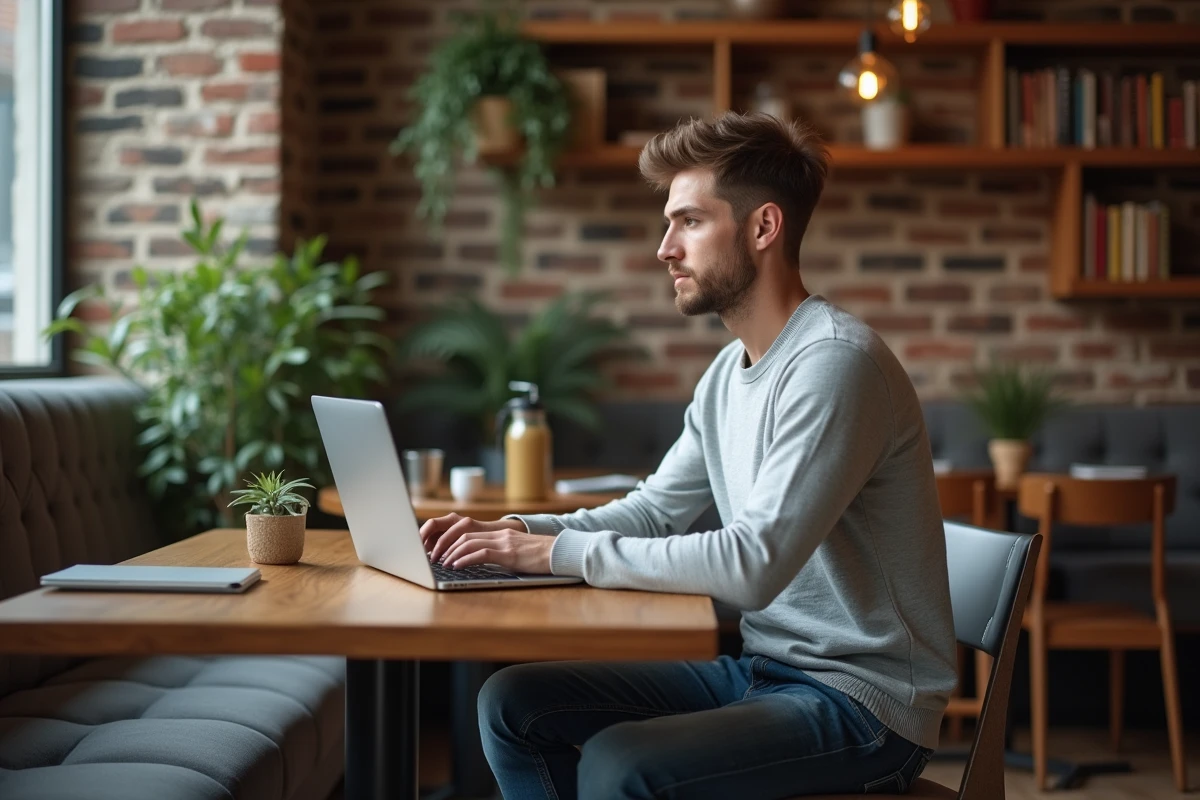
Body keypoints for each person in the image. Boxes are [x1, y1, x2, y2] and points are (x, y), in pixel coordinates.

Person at [419, 111, 957, 800]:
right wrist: (519, 534)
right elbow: (655, 510)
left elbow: (752, 565)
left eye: (690, 222)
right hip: (765, 670)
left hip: (862, 705)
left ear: (764, 228)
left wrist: (551, 556)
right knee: (513, 704)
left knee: (620, 765)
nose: (664, 248)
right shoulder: (728, 375)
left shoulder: (833, 364)